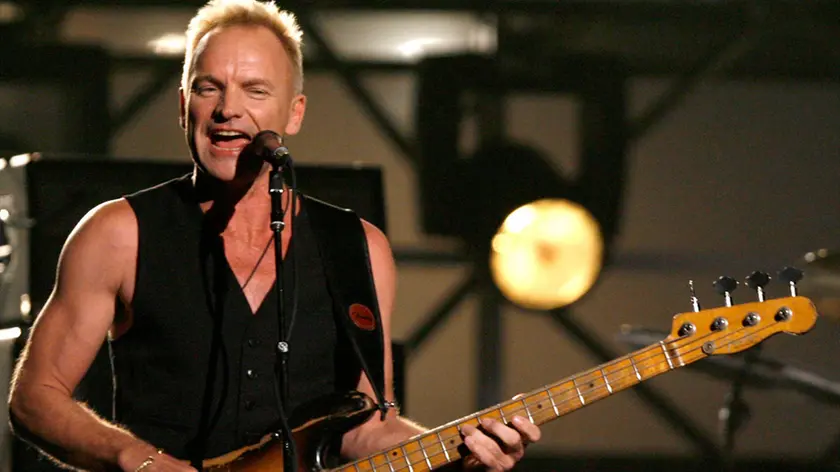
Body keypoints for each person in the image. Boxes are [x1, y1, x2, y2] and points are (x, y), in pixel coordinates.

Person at [8, 0, 541, 470]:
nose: (226, 109)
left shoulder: (360, 248)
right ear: (182, 105)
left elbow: (367, 425)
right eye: (207, 87)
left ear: (295, 112)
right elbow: (34, 398)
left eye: (255, 90)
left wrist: (458, 452)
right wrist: (139, 461)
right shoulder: (118, 232)